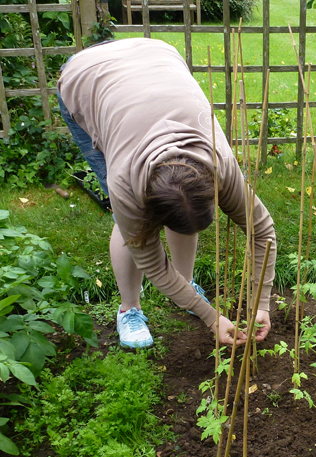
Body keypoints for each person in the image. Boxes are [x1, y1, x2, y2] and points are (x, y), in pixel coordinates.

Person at [57, 38, 277, 348]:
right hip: (86, 77)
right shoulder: (125, 184)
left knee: (181, 211)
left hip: (154, 57)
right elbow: (153, 264)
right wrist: (210, 316)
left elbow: (263, 231)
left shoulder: (222, 167)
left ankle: (185, 286)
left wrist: (262, 302)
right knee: (126, 226)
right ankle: (129, 309)